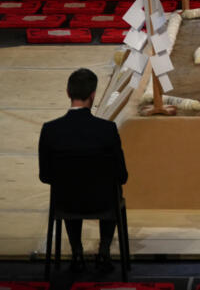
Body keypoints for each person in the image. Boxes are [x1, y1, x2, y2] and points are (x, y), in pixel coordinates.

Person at [38, 68, 128, 275]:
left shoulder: (50, 129)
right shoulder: (107, 129)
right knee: (114, 191)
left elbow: (45, 176)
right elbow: (121, 175)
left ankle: (77, 252)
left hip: (65, 203)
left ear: (68, 93)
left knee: (69, 187)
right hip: (103, 202)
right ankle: (104, 251)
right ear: (93, 95)